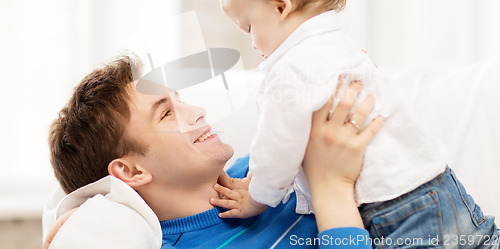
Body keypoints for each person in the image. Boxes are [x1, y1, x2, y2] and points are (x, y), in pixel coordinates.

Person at [218, 0, 499, 248]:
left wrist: (257, 199)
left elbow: (277, 146)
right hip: (441, 184)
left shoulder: (289, 69)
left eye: (249, 26)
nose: (252, 43)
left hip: (396, 209)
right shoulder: (341, 47)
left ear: (280, 4)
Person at [44, 55, 384, 249]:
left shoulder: (265, 168)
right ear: (131, 173)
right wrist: (332, 189)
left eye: (180, 99)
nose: (197, 111)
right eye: (166, 113)